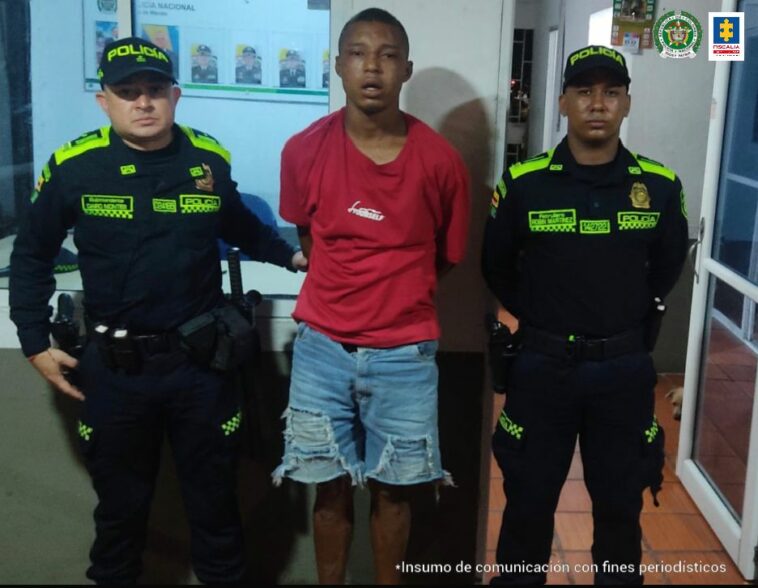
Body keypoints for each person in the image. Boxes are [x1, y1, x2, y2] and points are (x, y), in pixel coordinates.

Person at [9, 36, 306, 585]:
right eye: (127, 92)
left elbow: (237, 224)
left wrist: (294, 256)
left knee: (218, 514)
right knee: (119, 521)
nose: (142, 103)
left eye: (153, 90)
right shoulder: (74, 167)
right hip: (115, 373)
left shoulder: (207, 158)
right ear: (105, 102)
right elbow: (31, 256)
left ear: (176, 94)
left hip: (201, 368)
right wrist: (33, 342)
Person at [272, 7, 470, 585]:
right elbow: (309, 236)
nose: (372, 67)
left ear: (406, 69)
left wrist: (393, 298)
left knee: (397, 492)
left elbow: (446, 257)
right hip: (320, 349)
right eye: (358, 53)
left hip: (405, 355)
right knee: (328, 492)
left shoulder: (440, 161)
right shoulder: (303, 150)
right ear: (338, 66)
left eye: (387, 55)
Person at [482, 45, 688, 585]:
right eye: (585, 92)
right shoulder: (524, 184)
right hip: (541, 368)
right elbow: (496, 266)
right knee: (527, 507)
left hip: (622, 372)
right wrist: (543, 321)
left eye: (611, 93)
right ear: (564, 102)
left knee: (620, 509)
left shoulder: (660, 186)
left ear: (626, 104)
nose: (598, 104)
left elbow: (667, 266)